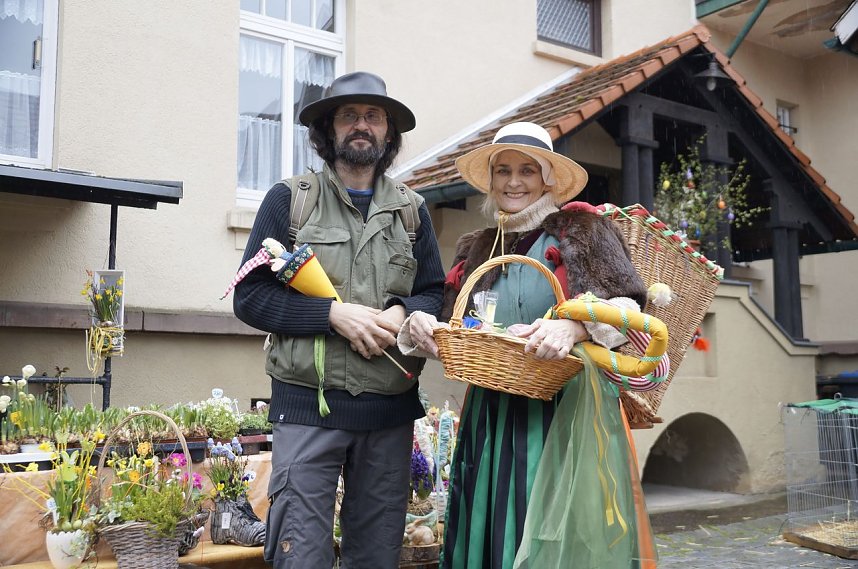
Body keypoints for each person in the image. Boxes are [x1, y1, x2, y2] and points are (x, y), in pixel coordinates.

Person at [399, 122, 658, 568]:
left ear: (547, 178)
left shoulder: (582, 230)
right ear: (492, 179)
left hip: (565, 409)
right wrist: (419, 325)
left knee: (553, 524)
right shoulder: (476, 247)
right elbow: (452, 325)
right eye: (503, 171)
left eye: (526, 171)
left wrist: (574, 329)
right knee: (492, 519)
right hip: (491, 410)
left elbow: (629, 308)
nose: (513, 182)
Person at [233, 71, 445, 569]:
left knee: (375, 559)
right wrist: (332, 315)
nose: (361, 125)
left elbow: (436, 292)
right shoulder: (291, 200)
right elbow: (249, 297)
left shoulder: (412, 211)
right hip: (308, 411)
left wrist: (401, 313)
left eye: (373, 116)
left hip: (388, 416)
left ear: (389, 133)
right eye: (349, 115)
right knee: (299, 558)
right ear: (328, 130)